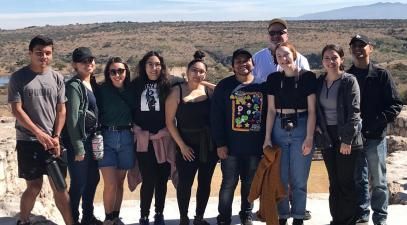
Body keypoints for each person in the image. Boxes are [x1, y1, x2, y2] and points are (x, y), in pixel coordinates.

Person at [8, 35, 74, 225]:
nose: (44, 57)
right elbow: (16, 110)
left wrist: (56, 136)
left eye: (47, 53)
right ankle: (24, 220)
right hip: (28, 141)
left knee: (60, 187)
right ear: (30, 54)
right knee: (34, 186)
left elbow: (61, 109)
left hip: (53, 142)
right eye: (39, 53)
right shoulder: (18, 77)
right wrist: (39, 133)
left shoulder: (57, 78)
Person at [348, 34, 403, 225]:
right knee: (359, 179)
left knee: (379, 180)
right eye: (354, 46)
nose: (358, 49)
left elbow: (395, 104)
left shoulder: (381, 75)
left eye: (362, 45)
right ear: (350, 50)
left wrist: (378, 122)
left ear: (370, 48)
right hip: (355, 139)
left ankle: (380, 217)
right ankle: (362, 216)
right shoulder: (348, 76)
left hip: (375, 137)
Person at [263, 42, 316, 225]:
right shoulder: (273, 79)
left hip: (301, 126)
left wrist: (309, 137)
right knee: (281, 177)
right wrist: (267, 137)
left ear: (294, 55)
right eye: (279, 56)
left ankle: (299, 216)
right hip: (278, 126)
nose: (283, 59)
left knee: (299, 177)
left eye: (286, 54)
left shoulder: (307, 77)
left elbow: (312, 110)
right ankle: (283, 215)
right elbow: (270, 110)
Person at [211, 49, 266, 225]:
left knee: (249, 183)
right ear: (233, 66)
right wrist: (220, 144)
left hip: (254, 147)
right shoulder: (224, 86)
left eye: (246, 60)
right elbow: (216, 117)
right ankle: (224, 216)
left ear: (253, 63)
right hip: (230, 147)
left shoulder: (262, 86)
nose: (243, 64)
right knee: (228, 183)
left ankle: (246, 213)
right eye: (238, 61)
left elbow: (267, 117)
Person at [166, 51, 218, 225]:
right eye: (194, 71)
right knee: (185, 184)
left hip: (208, 145)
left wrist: (202, 82)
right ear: (186, 73)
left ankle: (199, 218)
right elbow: (169, 122)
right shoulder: (177, 92)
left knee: (205, 183)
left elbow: (221, 90)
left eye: (201, 71)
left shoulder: (210, 92)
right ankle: (183, 219)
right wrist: (182, 146)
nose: (198, 74)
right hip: (186, 145)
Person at [314, 44, 363, 225]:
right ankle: (336, 219)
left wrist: (347, 140)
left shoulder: (349, 81)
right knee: (333, 182)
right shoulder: (319, 82)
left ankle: (349, 220)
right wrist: (318, 127)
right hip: (327, 137)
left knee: (346, 182)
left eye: (334, 57)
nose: (331, 61)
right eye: (327, 58)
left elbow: (354, 112)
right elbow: (316, 109)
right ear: (322, 61)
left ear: (341, 59)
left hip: (346, 137)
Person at [132, 51, 176, 225]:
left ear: (162, 67)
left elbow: (192, 82)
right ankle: (144, 215)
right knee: (149, 179)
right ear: (144, 66)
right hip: (144, 140)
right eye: (150, 64)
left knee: (162, 179)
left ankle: (159, 213)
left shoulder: (169, 84)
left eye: (157, 64)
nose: (154, 67)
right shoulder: (135, 85)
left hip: (164, 139)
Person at [64, 47, 102, 225]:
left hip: (92, 140)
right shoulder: (74, 86)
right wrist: (78, 147)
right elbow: (72, 119)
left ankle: (88, 216)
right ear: (75, 65)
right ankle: (73, 220)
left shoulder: (91, 83)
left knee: (93, 179)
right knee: (78, 183)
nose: (89, 64)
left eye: (91, 60)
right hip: (80, 142)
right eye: (84, 61)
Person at [96, 57, 135, 225]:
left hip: (127, 137)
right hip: (107, 138)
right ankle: (108, 218)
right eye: (113, 71)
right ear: (108, 73)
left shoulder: (132, 90)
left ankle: (116, 216)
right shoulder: (101, 90)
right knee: (110, 183)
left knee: (120, 182)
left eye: (121, 71)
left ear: (126, 72)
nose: (117, 74)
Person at [253, 18, 310, 83]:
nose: (276, 35)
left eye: (280, 32)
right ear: (268, 36)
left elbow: (307, 84)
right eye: (272, 33)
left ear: (287, 36)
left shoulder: (301, 59)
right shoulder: (257, 58)